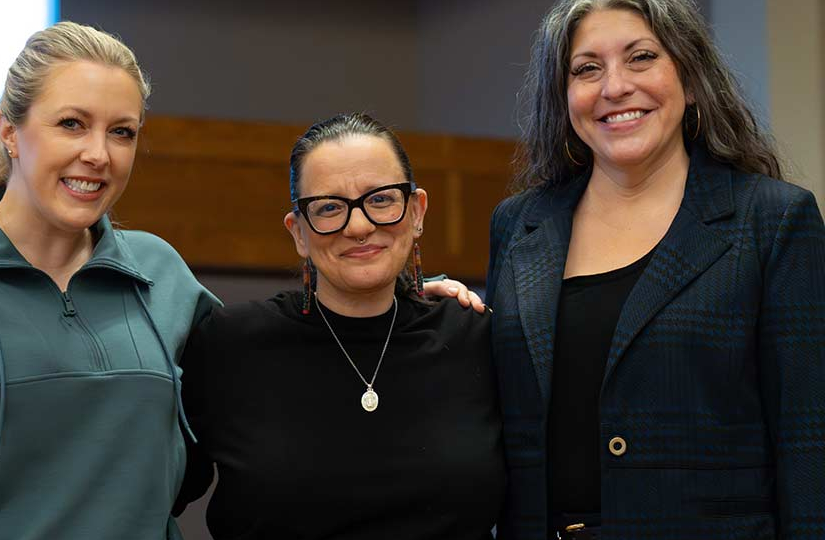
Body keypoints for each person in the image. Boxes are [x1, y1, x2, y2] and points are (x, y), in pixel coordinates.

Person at [484, 1, 825, 539]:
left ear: (690, 79)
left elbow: (809, 439)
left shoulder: (773, 221)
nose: (615, 87)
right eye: (587, 68)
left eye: (641, 57)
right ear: (563, 96)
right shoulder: (517, 225)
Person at [0, 22, 216, 539]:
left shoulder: (161, 273)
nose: (98, 154)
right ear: (10, 131)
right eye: (72, 124)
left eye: (122, 132)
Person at [177, 113, 505, 539]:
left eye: (381, 199)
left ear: (416, 211)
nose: (359, 226)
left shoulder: (475, 338)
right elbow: (148, 494)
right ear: (299, 232)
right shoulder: (230, 345)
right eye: (329, 208)